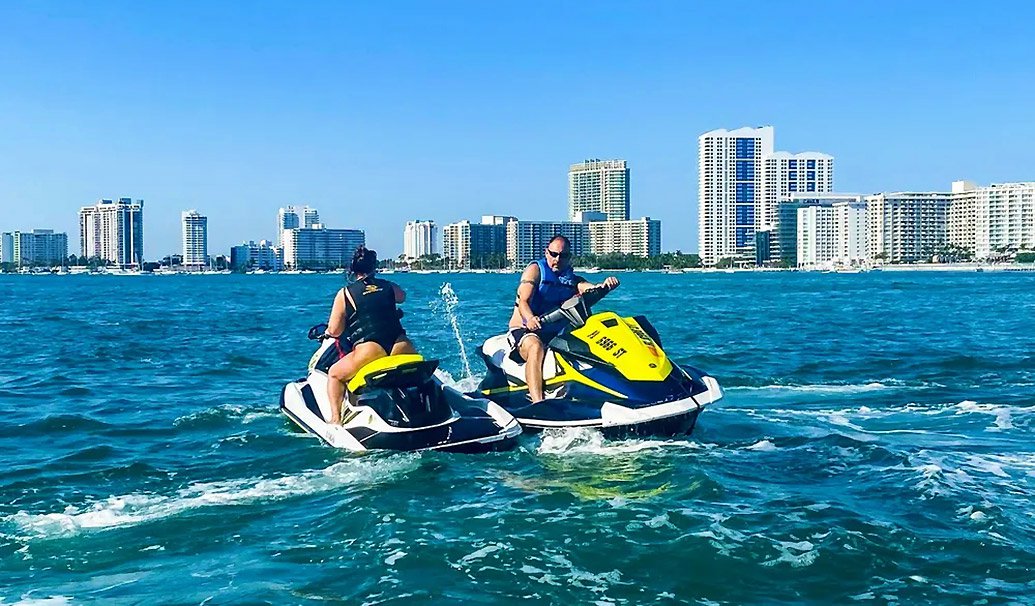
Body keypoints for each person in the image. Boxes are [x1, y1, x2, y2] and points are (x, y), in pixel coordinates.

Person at [508, 235, 619, 403]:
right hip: (525, 330)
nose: (557, 259)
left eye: (563, 256)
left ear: (569, 257)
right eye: (554, 254)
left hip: (555, 333)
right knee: (536, 347)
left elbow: (589, 288)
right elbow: (523, 301)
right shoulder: (535, 271)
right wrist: (530, 318)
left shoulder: (571, 278)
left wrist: (605, 286)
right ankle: (538, 402)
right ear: (546, 253)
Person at [324, 246, 417, 424]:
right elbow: (402, 297)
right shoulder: (388, 286)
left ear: (353, 269)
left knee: (335, 375)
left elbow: (335, 330)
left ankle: (335, 420)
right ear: (374, 267)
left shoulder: (345, 293)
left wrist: (328, 332)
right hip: (401, 345)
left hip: (371, 350)